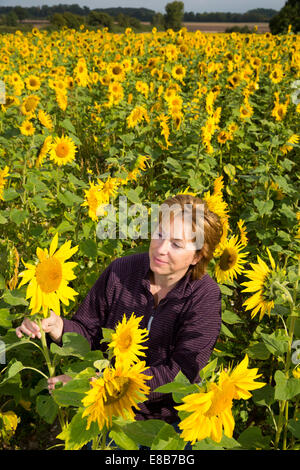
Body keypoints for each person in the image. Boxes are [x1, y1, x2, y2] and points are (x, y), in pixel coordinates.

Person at [16, 194, 223, 425]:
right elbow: (89, 332)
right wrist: (59, 327)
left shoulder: (203, 297)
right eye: (159, 234)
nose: (160, 248)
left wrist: (108, 383)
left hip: (164, 424)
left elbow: (181, 372)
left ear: (197, 256)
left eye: (176, 244)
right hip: (105, 410)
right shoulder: (122, 272)